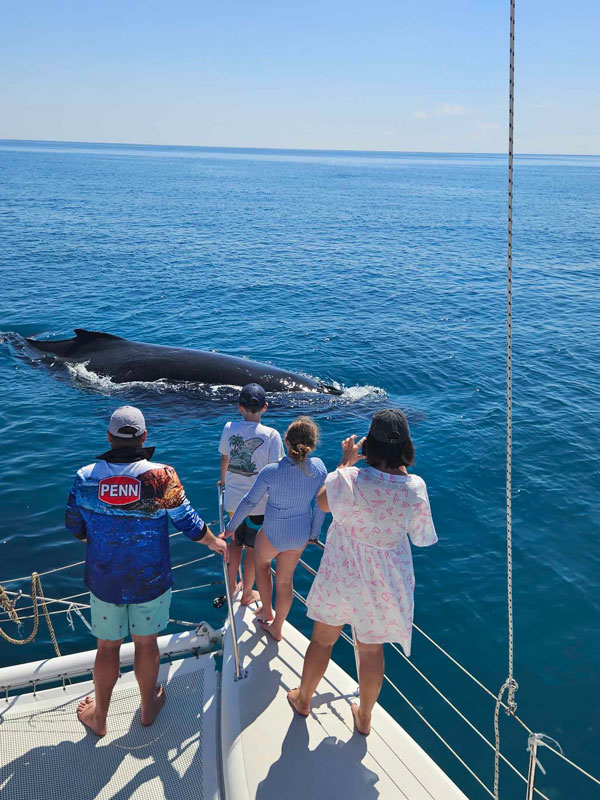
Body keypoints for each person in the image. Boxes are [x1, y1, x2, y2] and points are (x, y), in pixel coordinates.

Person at [65, 405, 227, 737]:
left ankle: (99, 718)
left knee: (107, 647)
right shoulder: (163, 476)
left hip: (104, 579)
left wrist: (96, 535)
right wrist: (215, 543)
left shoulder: (85, 477)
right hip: (149, 580)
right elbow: (189, 524)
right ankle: (148, 708)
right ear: (144, 437)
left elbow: (74, 525)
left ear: (109, 437)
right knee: (146, 643)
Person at [288, 409, 437, 735]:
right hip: (386, 581)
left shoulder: (350, 479)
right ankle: (365, 717)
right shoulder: (415, 488)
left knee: (322, 642)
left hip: (342, 573)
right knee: (371, 650)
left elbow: (323, 503)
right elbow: (422, 538)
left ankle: (304, 699)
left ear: (369, 443)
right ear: (405, 447)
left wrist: (345, 462)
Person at [225, 416, 326, 641]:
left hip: (272, 533)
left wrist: (231, 528)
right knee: (285, 581)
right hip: (300, 535)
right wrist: (314, 533)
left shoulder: (271, 471)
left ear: (286, 441)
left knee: (262, 566)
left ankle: (266, 610)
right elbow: (321, 505)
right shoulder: (319, 467)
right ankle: (277, 627)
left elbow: (250, 502)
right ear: (312, 444)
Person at [218, 383, 284, 604]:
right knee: (252, 548)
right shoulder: (271, 435)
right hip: (259, 506)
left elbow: (225, 458)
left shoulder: (229, 428)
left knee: (235, 543)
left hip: (233, 502)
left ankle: (230, 588)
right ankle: (247, 593)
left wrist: (224, 481)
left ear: (240, 407)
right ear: (265, 407)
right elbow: (275, 471)